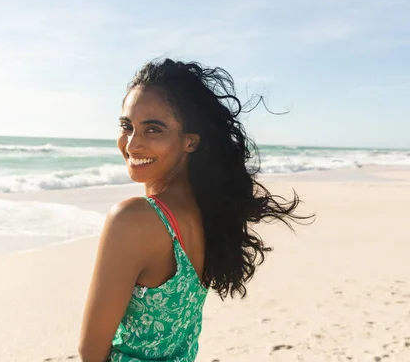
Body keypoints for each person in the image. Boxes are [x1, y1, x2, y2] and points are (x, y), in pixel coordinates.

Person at [79, 59, 310, 361]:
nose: (132, 144)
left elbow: (90, 351)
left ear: (190, 141)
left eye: (153, 130)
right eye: (127, 126)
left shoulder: (134, 219)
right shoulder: (205, 213)